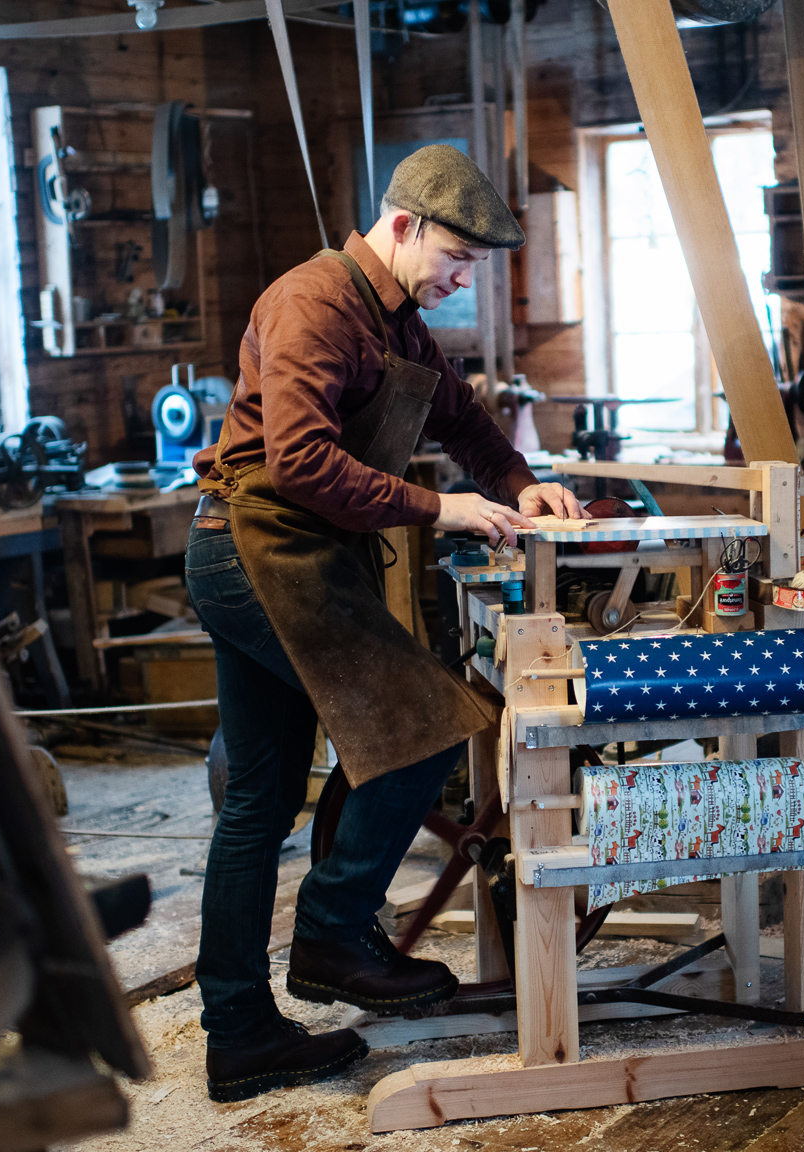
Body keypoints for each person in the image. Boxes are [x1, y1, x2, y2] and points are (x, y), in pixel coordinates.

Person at [185, 145, 584, 1102]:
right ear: (402, 225)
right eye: (457, 257)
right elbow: (298, 463)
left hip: (303, 557)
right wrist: (439, 509)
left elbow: (467, 421)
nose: (463, 279)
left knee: (260, 800)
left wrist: (526, 484)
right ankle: (330, 934)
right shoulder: (314, 304)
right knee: (423, 728)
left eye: (477, 267)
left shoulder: (400, 322)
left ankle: (239, 1033)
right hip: (255, 551)